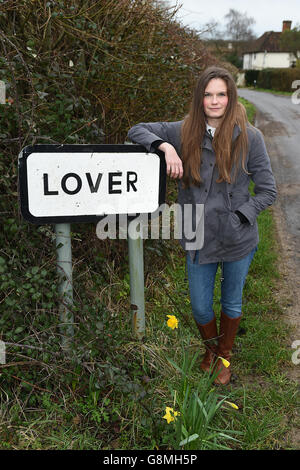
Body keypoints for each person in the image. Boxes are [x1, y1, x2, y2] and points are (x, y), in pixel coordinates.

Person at [127, 66, 277, 385]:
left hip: (237, 237)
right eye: (208, 95)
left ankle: (223, 355)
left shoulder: (250, 137)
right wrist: (165, 147)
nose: (214, 101)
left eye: (221, 94)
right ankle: (209, 348)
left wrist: (240, 216)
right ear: (199, 98)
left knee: (232, 300)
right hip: (196, 234)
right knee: (199, 305)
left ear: (230, 96)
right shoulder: (184, 131)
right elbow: (136, 129)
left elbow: (268, 191)